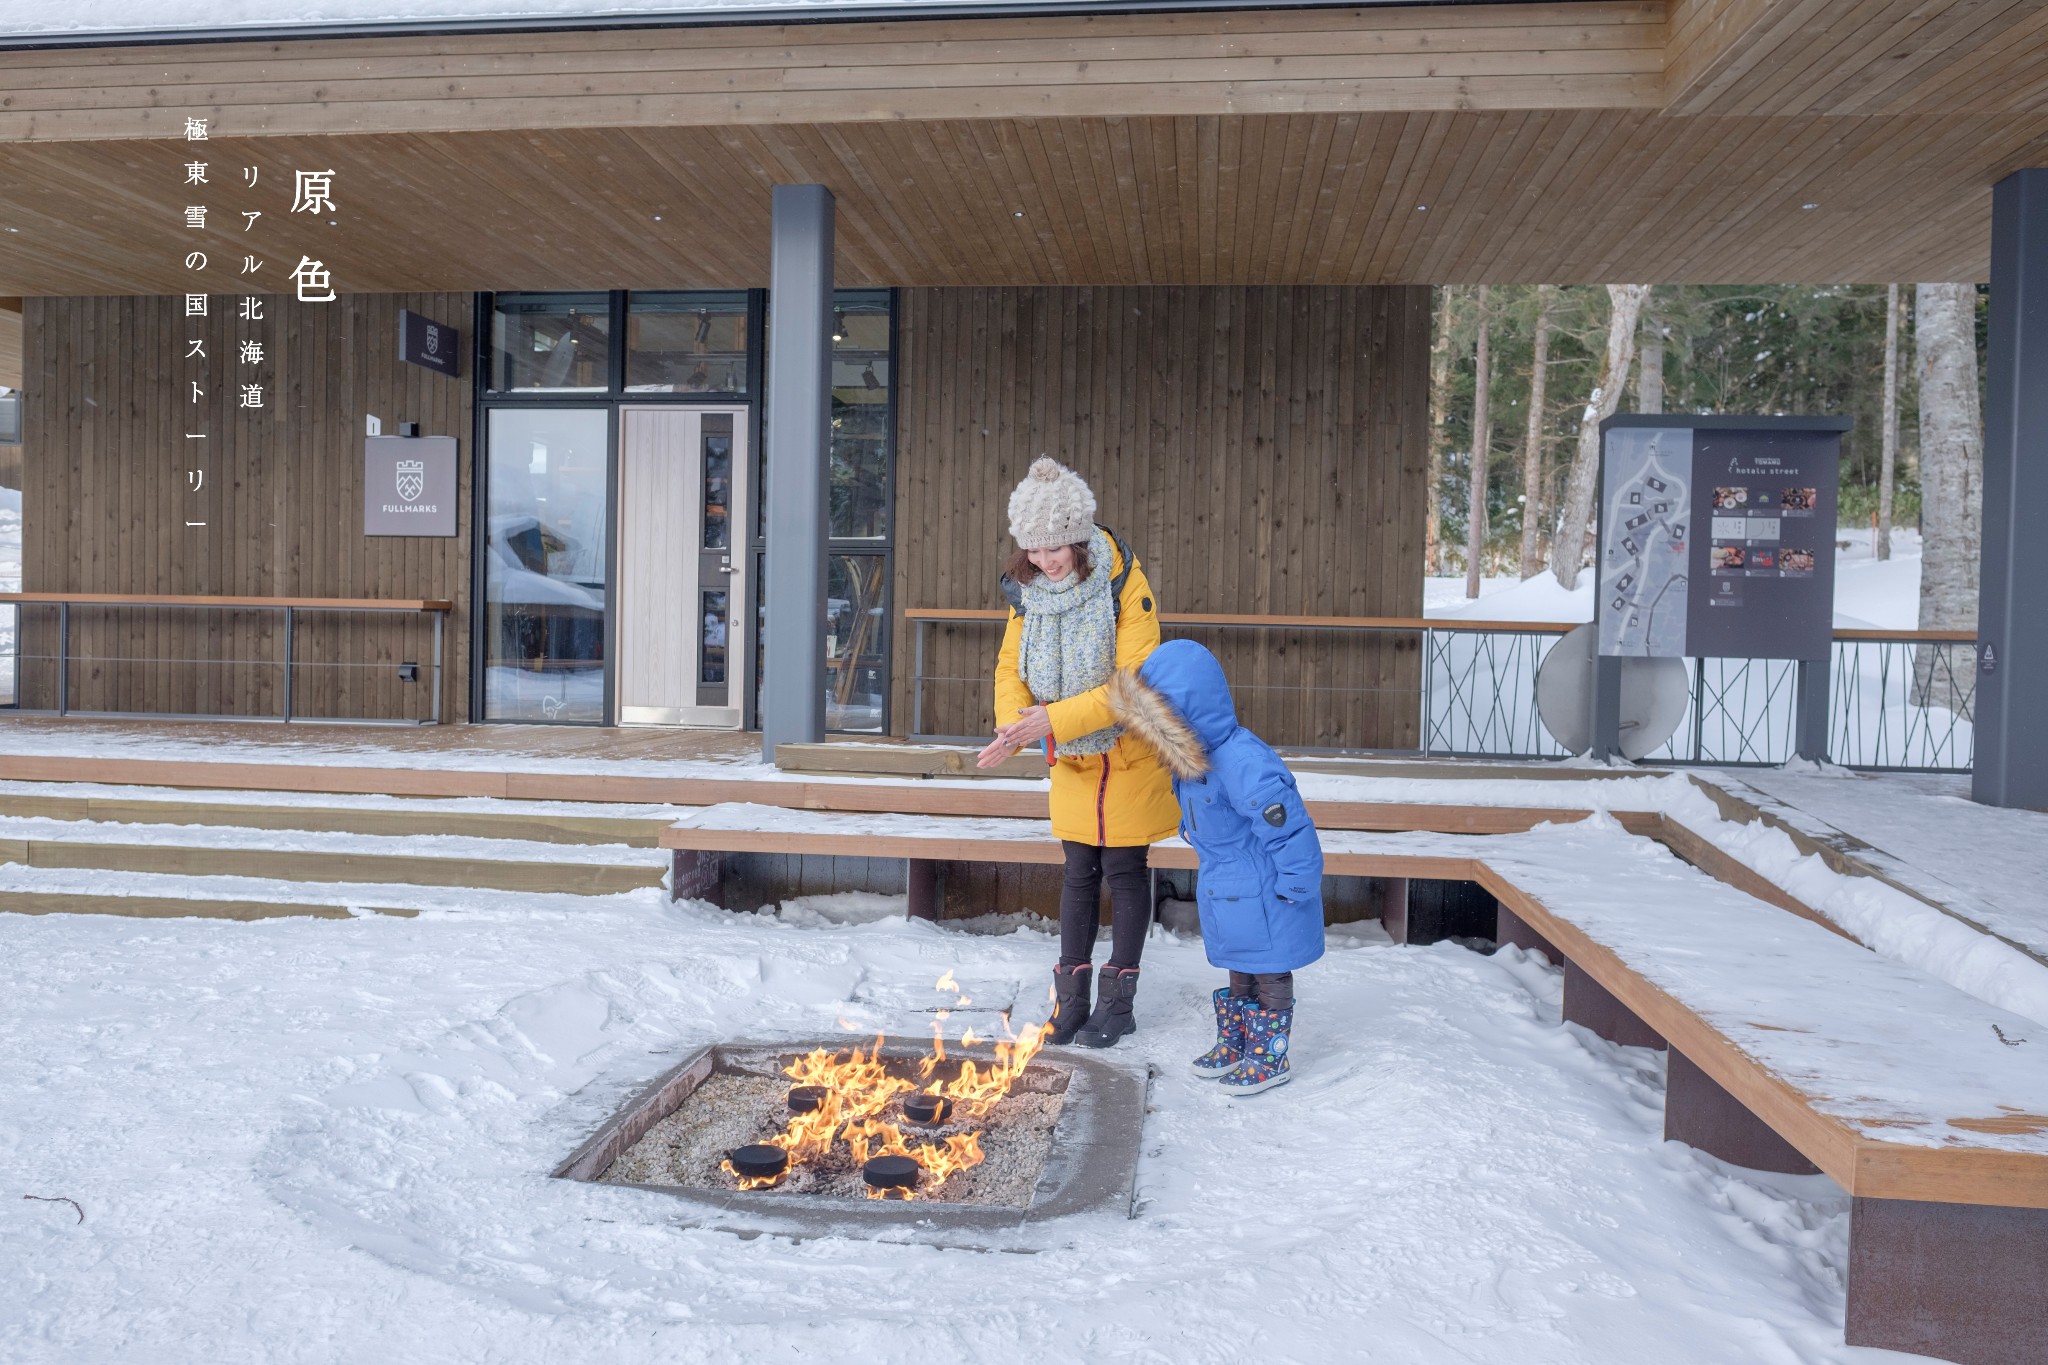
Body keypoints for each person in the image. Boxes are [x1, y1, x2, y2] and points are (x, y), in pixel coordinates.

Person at [976, 457, 1178, 1048]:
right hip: (1070, 754)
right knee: (1077, 873)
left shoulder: (1123, 584)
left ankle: (1118, 1006)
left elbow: (1128, 685)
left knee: (1124, 871)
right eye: (1033, 551)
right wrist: (1015, 723)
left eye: (1055, 548)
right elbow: (1010, 667)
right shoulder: (1031, 593)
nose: (1044, 561)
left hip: (1128, 750)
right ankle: (1072, 1003)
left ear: (1079, 536)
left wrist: (1050, 720)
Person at [1108, 638, 1324, 1095]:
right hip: (1227, 886)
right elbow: (1205, 811)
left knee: (1269, 970)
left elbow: (1288, 826)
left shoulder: (1244, 762)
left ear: (1191, 711)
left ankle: (1269, 1056)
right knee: (1239, 965)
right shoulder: (1192, 762)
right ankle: (1238, 1043)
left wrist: (1298, 881)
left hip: (1266, 888)